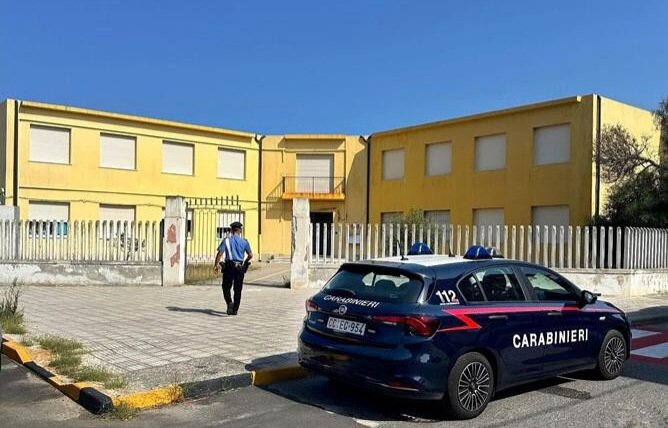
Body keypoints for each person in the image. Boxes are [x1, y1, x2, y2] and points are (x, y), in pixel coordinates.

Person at [214, 221, 253, 315]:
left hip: (228, 267)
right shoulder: (244, 242)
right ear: (240, 230)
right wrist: (245, 261)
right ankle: (235, 309)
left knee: (226, 287)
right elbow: (250, 255)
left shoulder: (226, 241)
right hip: (239, 267)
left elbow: (220, 254)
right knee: (238, 289)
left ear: (231, 230)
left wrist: (216, 265)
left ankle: (229, 303)